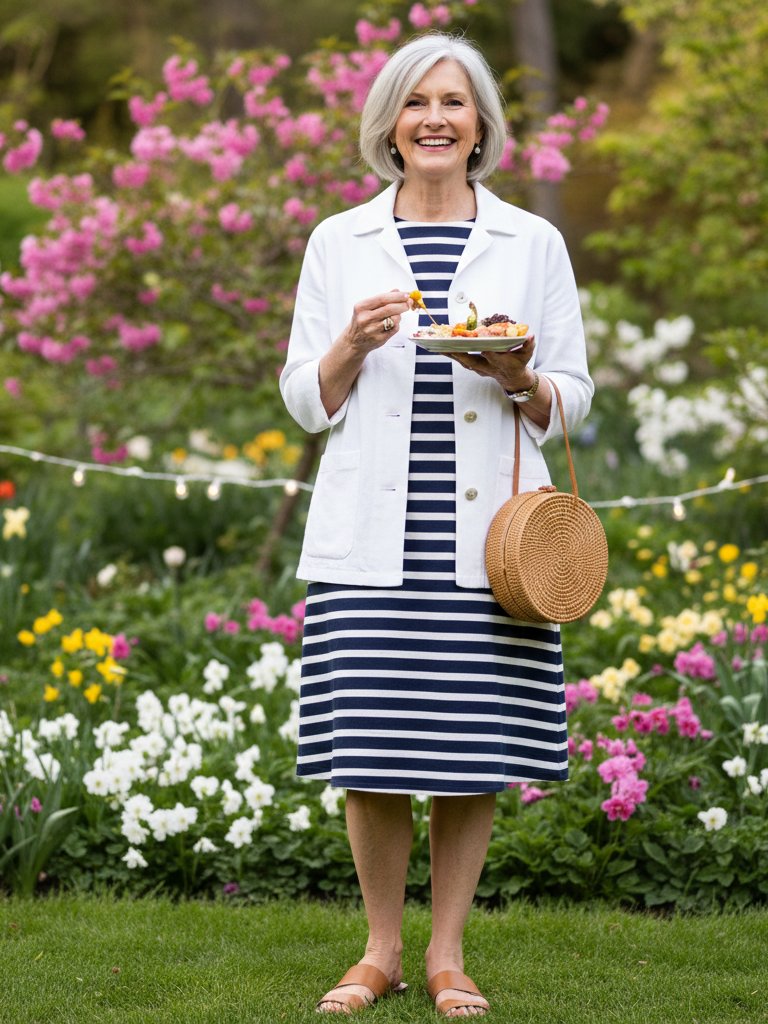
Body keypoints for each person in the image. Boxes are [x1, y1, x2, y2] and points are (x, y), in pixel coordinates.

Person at [280, 31, 593, 1018]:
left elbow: (574, 396)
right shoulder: (339, 240)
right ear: (388, 123)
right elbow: (301, 399)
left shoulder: (531, 242)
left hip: (490, 542)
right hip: (370, 543)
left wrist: (519, 376)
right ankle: (378, 952)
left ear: (481, 125)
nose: (435, 119)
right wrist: (348, 347)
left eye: (454, 102)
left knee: (469, 750)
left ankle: (449, 954)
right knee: (370, 752)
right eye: (417, 102)